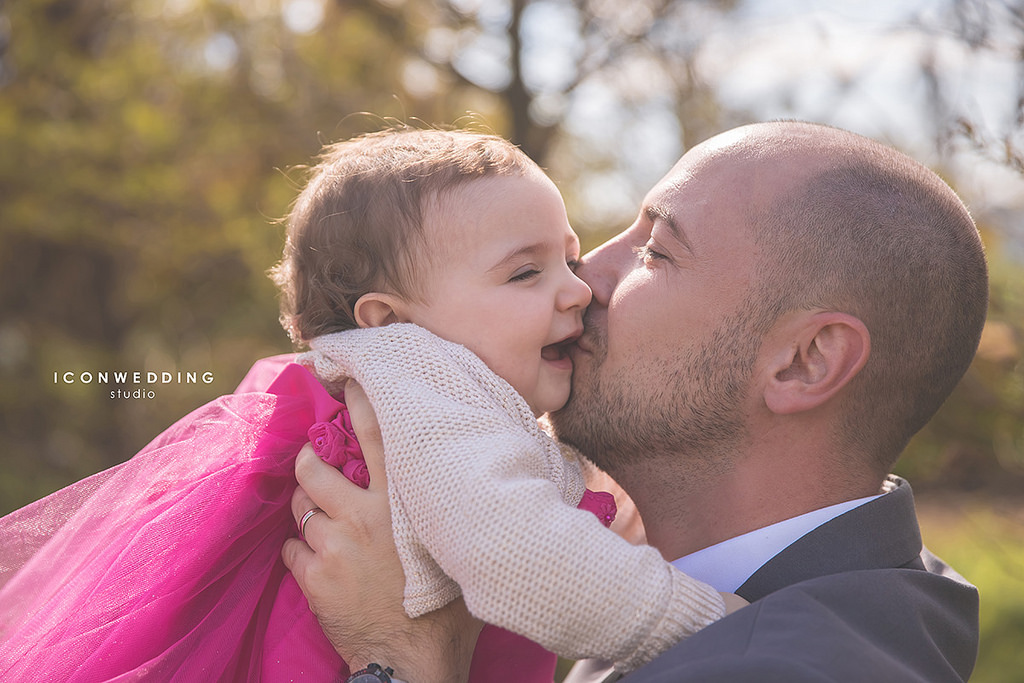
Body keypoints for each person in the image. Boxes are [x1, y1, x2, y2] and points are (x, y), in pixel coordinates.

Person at [0, 127, 742, 682]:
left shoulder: (401, 386)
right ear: (388, 320)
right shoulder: (422, 377)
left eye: (568, 259)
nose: (577, 289)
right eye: (525, 273)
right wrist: (700, 622)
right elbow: (520, 552)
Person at [283, 120, 987, 682]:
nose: (586, 276)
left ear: (804, 362)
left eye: (655, 251)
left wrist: (398, 662)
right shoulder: (866, 596)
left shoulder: (771, 664)